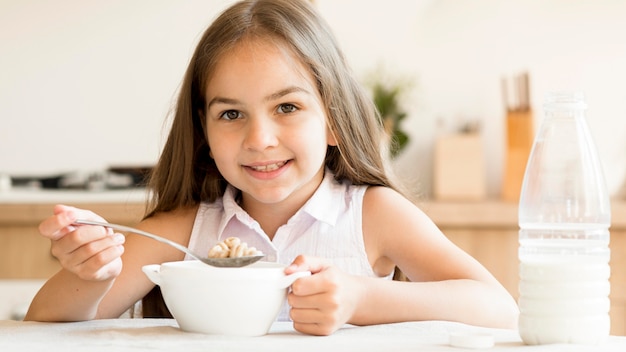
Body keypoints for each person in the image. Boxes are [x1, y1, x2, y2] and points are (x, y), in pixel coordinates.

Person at [25, 0, 518, 335]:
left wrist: (358, 299)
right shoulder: (189, 227)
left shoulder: (373, 215)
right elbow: (46, 321)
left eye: (287, 107)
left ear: (332, 121)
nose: (260, 139)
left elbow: (497, 308)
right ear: (205, 134)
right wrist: (90, 275)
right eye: (231, 114)